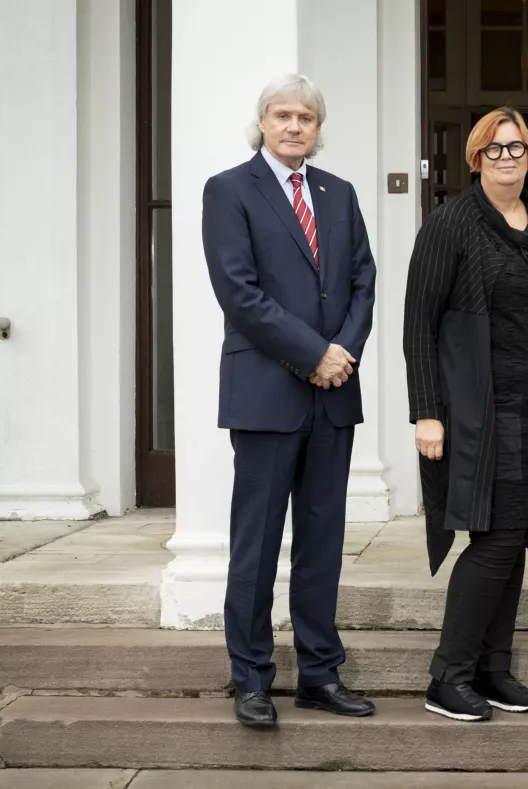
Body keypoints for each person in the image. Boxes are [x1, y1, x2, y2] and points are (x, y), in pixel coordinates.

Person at [402, 107, 528, 723]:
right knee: (495, 538)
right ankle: (448, 676)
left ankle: (493, 667)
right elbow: (419, 326)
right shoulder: (451, 223)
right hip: (485, 410)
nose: (506, 157)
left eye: (517, 148)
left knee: (517, 541)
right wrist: (426, 413)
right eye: (494, 148)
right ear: (476, 156)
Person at [201, 74, 377, 726]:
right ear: (264, 122)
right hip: (267, 395)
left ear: (318, 126)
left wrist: (343, 353)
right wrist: (314, 354)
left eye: (306, 116)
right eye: (283, 115)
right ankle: (250, 676)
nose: (295, 125)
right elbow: (240, 293)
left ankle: (319, 673)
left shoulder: (340, 193)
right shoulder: (229, 190)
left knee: (323, 542)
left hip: (333, 395)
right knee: (257, 541)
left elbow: (364, 281)